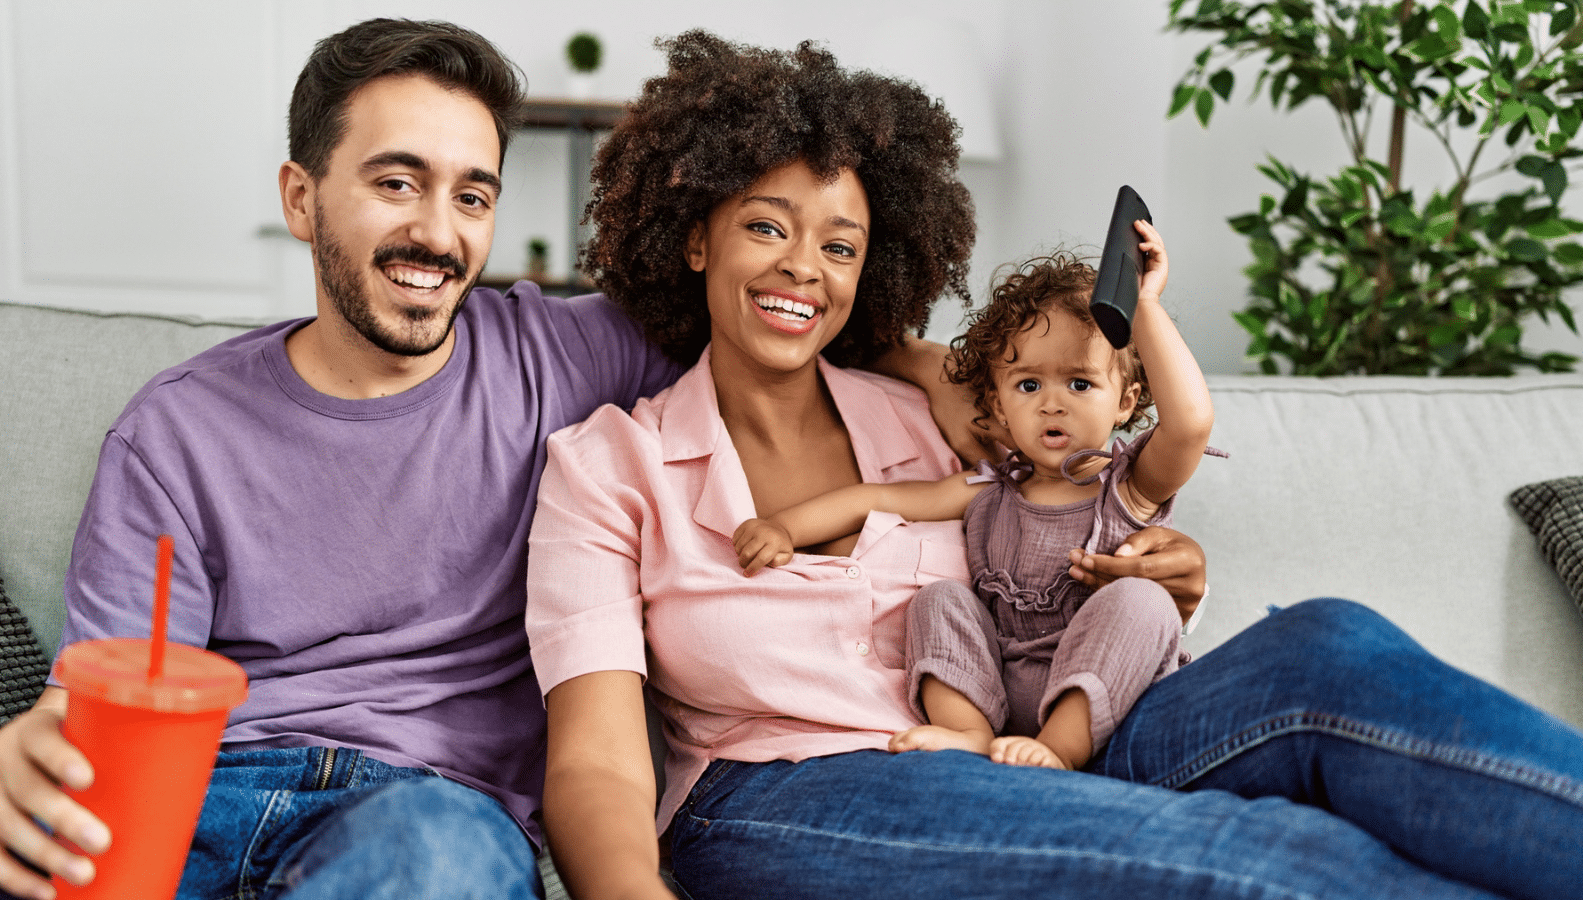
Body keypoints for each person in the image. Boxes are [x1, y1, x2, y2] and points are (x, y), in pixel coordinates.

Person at [526, 29, 1583, 900]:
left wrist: (1165, 567)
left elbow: (1078, 480)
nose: (804, 265)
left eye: (842, 244)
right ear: (694, 235)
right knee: (1267, 858)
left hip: (1034, 736)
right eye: (766, 226)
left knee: (1330, 642)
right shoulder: (607, 466)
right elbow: (595, 762)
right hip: (789, 791)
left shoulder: (935, 408)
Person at [0, 18, 966, 900]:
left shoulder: (562, 354)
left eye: (472, 195)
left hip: (430, 811)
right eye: (395, 183)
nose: (437, 230)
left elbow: (775, 307)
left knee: (429, 860)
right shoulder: (174, 431)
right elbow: (95, 713)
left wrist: (930, 361)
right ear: (301, 199)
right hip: (208, 802)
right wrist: (31, 763)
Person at [733, 242, 1224, 770]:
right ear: (997, 404)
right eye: (1028, 384)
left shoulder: (1130, 487)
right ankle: (965, 729)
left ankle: (1060, 752)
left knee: (1142, 602)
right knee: (939, 599)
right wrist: (783, 527)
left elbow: (1190, 424)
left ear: (1125, 401)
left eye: (1081, 383)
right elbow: (881, 499)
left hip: (1103, 699)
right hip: (1007, 694)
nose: (1052, 402)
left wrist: (1145, 307)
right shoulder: (991, 487)